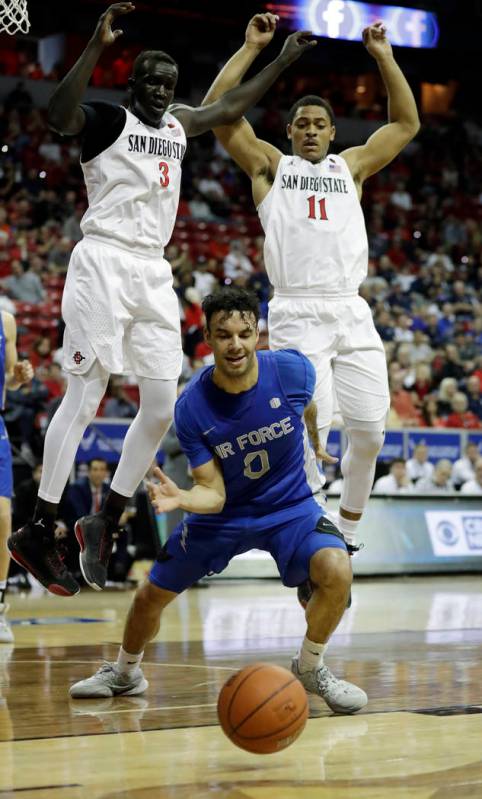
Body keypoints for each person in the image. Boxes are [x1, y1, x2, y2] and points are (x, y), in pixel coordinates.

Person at [7, 3, 316, 598]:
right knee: (86, 391)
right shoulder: (106, 121)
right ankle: (41, 526)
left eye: (169, 84)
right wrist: (94, 45)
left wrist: (278, 59)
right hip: (102, 259)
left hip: (152, 270)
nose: (160, 90)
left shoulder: (176, 125)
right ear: (132, 83)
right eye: (151, 80)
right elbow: (56, 113)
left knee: (159, 405)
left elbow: (227, 108)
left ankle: (107, 516)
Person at [69, 287, 367, 715]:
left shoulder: (293, 370)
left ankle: (309, 666)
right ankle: (125, 672)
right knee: (149, 596)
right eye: (224, 335)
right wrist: (184, 497)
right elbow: (214, 492)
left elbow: (310, 409)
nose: (236, 345)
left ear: (257, 332)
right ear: (207, 337)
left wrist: (316, 444)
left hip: (289, 508)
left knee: (338, 568)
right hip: (224, 515)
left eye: (245, 333)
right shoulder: (191, 407)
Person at [202, 13, 420, 549]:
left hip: (351, 308)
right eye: (302, 123)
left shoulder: (353, 168)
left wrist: (385, 58)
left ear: (331, 131)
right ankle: (316, 536)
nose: (311, 131)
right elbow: (221, 113)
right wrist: (253, 48)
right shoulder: (271, 167)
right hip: (298, 308)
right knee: (308, 434)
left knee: (370, 433)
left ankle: (347, 530)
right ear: (290, 131)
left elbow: (406, 124)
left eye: (320, 124)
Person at [0, 311, 34, 642]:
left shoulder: (5, 320)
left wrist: (18, 375)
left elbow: (10, 378)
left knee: (2, 518)